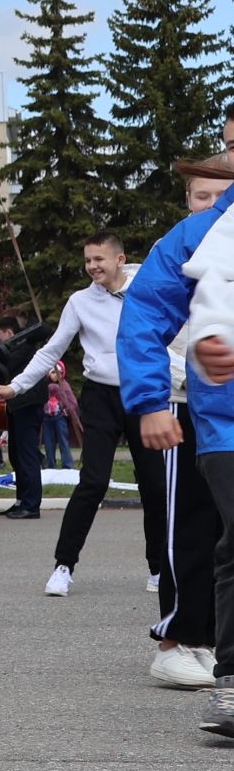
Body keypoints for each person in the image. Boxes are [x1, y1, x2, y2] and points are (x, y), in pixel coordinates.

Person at [119, 158, 234, 729]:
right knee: (191, 530)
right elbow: (144, 321)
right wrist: (151, 400)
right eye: (201, 196)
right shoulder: (189, 243)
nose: (211, 204)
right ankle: (179, 640)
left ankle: (213, 644)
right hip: (195, 409)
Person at [0, 232, 166, 598]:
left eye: (99, 259)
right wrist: (16, 386)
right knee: (93, 481)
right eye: (87, 260)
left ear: (120, 259)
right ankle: (63, 566)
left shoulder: (148, 290)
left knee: (155, 484)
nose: (92, 266)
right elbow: (50, 351)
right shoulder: (80, 302)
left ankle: (159, 569)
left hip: (145, 392)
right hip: (101, 397)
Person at [0, 315, 49, 522]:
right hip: (18, 405)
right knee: (17, 455)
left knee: (26, 455)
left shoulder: (24, 346)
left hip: (27, 404)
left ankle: (31, 504)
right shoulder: (21, 347)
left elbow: (5, 364)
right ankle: (21, 501)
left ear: (9, 333)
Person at [42, 363, 80, 469]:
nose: (55, 375)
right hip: (47, 418)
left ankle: (67, 465)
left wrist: (67, 410)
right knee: (49, 443)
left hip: (60, 418)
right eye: (53, 372)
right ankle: (50, 465)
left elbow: (71, 402)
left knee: (63, 441)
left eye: (58, 372)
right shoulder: (44, 385)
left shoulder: (64, 385)